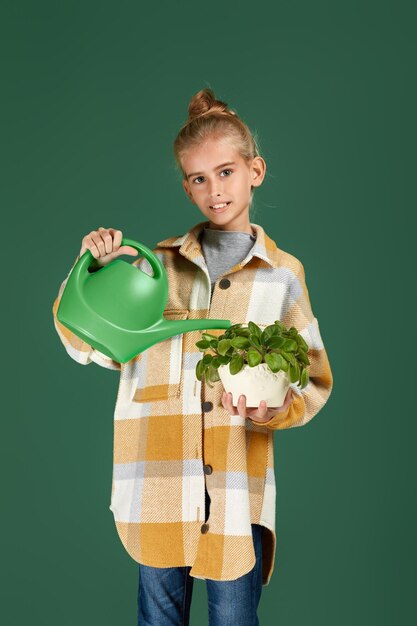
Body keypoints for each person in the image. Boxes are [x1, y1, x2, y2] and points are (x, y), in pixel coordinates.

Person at [52, 88, 333, 626]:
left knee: (233, 620)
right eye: (199, 179)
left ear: (256, 170)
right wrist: (89, 268)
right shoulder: (149, 268)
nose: (214, 190)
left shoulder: (283, 276)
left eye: (226, 172)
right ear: (186, 187)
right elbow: (79, 341)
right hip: (154, 481)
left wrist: (273, 410)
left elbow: (312, 378)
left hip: (235, 486)